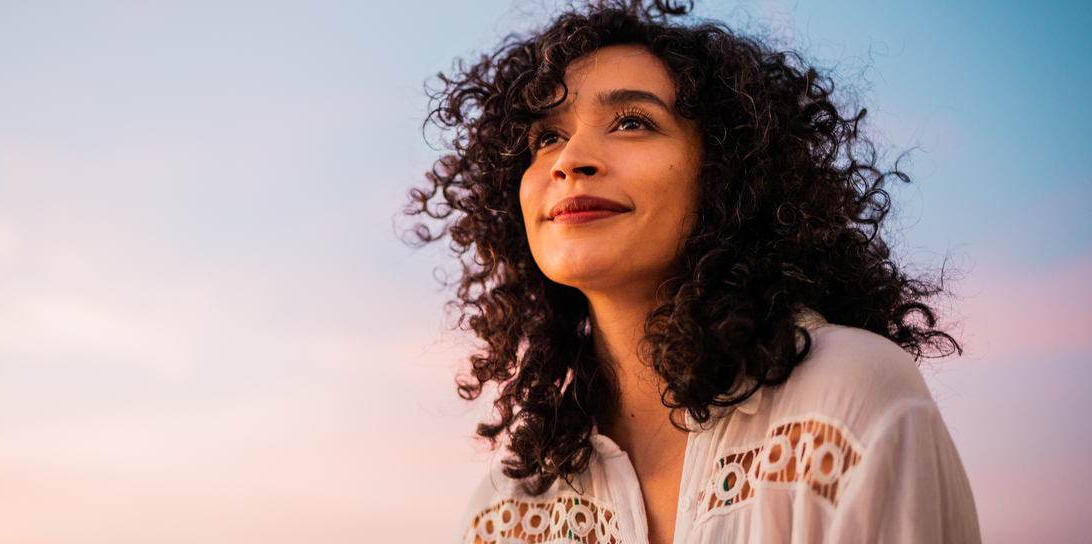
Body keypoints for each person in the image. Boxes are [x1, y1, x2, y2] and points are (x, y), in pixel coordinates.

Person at [405, 1, 981, 543]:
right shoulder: (506, 513)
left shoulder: (847, 396)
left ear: (727, 174)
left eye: (631, 122)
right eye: (546, 136)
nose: (568, 159)